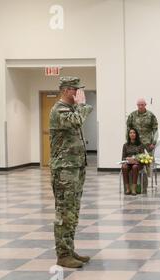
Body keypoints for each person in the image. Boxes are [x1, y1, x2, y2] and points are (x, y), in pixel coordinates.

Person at [49, 76, 93, 269]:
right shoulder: (58, 110)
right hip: (64, 170)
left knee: (73, 211)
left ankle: (70, 249)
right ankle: (63, 255)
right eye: (76, 89)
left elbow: (77, 119)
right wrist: (83, 105)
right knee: (64, 213)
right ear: (66, 90)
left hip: (74, 167)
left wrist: (79, 106)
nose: (78, 93)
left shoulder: (70, 109)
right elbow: (76, 122)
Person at [122, 128, 145, 196]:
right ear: (128, 135)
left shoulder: (140, 145)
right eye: (130, 133)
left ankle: (134, 189)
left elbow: (143, 157)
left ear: (136, 134)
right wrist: (128, 159)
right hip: (128, 163)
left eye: (134, 133)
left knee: (135, 167)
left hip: (138, 163)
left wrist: (136, 159)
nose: (132, 134)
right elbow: (123, 157)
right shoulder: (125, 145)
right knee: (124, 167)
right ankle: (128, 189)